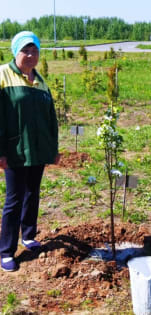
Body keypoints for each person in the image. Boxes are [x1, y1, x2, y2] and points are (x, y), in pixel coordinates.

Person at [0, 31, 59, 272]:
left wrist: (52, 148)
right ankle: (6, 251)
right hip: (13, 149)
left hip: (37, 150)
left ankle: (29, 236)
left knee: (32, 193)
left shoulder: (41, 81)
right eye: (25, 50)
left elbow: (50, 118)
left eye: (34, 49)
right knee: (14, 199)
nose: (31, 54)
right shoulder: (3, 75)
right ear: (15, 52)